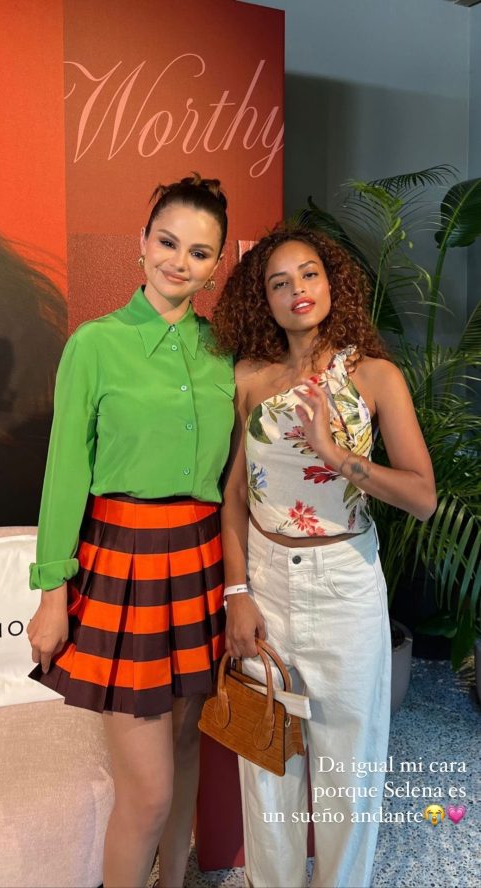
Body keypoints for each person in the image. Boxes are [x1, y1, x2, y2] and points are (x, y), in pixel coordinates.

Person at [26, 174, 235, 888]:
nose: (180, 261)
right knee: (146, 794)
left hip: (201, 562)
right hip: (122, 563)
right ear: (141, 244)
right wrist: (52, 591)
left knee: (185, 752)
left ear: (217, 264)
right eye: (168, 242)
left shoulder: (224, 351)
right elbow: (64, 473)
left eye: (199, 252)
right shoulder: (95, 344)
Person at [211, 227, 436, 888]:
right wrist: (237, 593)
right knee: (266, 766)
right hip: (266, 584)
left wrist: (337, 455)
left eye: (308, 274)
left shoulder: (374, 376)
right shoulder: (250, 379)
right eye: (279, 283)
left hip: (344, 584)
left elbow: (422, 497)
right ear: (265, 300)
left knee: (348, 773)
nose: (297, 291)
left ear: (332, 282)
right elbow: (234, 496)